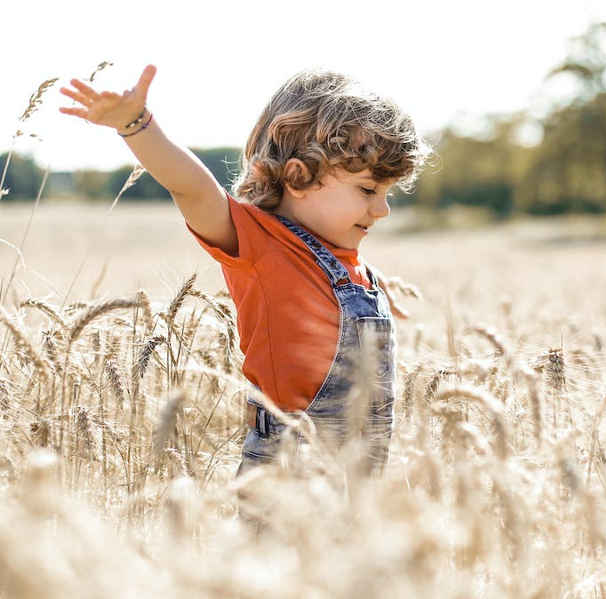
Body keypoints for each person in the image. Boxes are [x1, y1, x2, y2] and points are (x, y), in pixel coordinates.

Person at [59, 65, 430, 476]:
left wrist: (374, 292)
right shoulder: (260, 244)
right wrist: (136, 124)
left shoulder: (350, 265)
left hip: (360, 476)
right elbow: (193, 188)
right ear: (297, 176)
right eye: (367, 190)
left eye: (386, 193)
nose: (383, 209)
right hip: (288, 471)